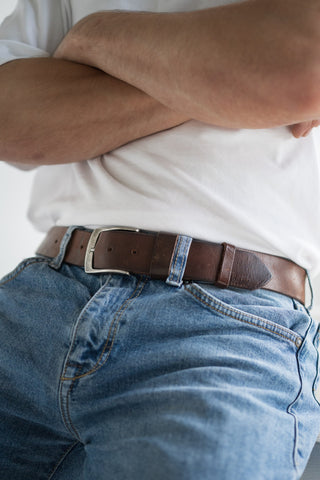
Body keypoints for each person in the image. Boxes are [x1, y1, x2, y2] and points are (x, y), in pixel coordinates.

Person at [1, 0, 320, 478]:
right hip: (35, 303)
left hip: (223, 334)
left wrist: (94, 36)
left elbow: (300, 67)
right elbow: (10, 121)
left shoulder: (85, 26)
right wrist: (231, 80)